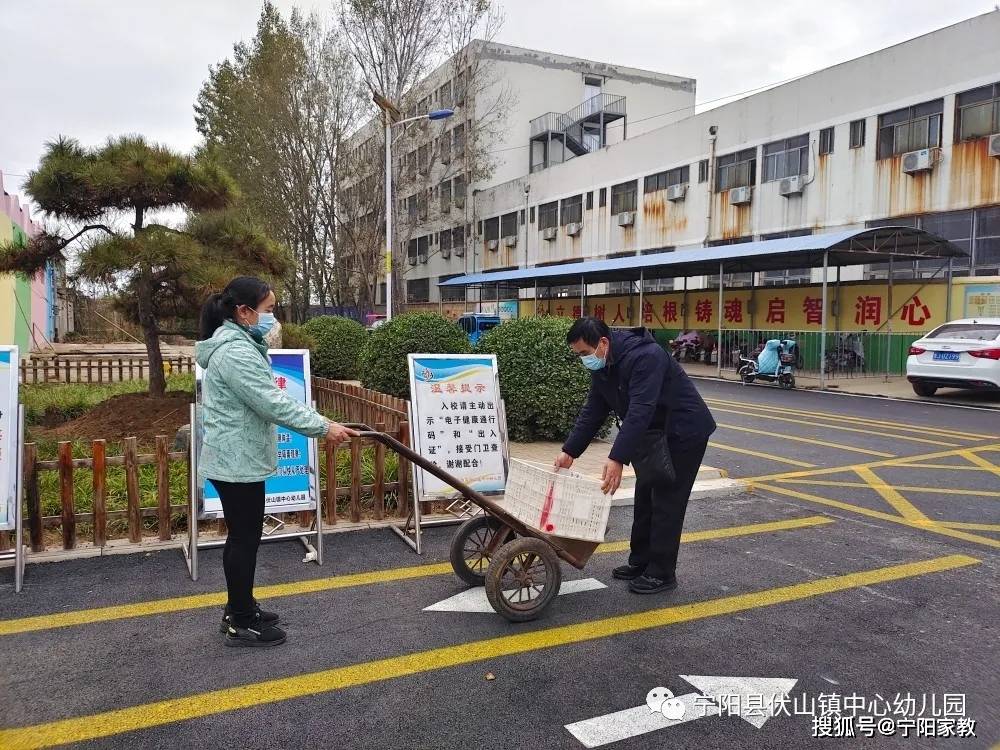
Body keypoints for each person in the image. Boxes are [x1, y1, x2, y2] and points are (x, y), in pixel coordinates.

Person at [197, 277, 356, 647]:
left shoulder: (239, 344)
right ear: (244, 312)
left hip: (237, 455)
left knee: (243, 536)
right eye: (269, 310)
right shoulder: (235, 352)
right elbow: (272, 402)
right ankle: (240, 619)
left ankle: (241, 607)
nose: (272, 318)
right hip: (236, 460)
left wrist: (323, 425)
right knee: (244, 538)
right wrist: (322, 427)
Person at [554, 318, 716, 595]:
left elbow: (641, 408)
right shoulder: (604, 364)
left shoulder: (646, 357)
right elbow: (594, 408)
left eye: (583, 353)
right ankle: (640, 562)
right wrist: (570, 451)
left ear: (602, 343)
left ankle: (662, 573)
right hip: (654, 435)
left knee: (666, 500)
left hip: (683, 432)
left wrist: (617, 458)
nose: (582, 360)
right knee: (644, 496)